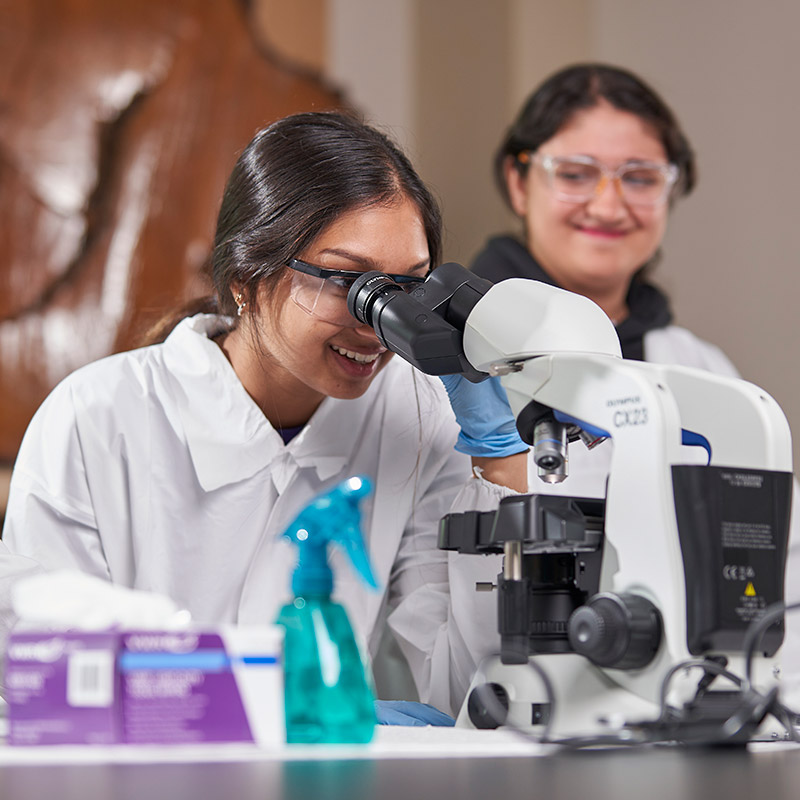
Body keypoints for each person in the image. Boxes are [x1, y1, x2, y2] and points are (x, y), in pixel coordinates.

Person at [0, 111, 528, 720]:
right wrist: (256, 710)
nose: (379, 327)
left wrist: (500, 461)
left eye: (406, 288)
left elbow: (469, 691)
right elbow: (46, 676)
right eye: (348, 282)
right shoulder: (96, 416)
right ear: (246, 276)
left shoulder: (415, 415)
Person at [454, 63, 800, 703]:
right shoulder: (453, 364)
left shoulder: (699, 367)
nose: (609, 205)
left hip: (681, 704)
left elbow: (779, 568)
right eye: (575, 173)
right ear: (519, 182)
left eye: (640, 178)